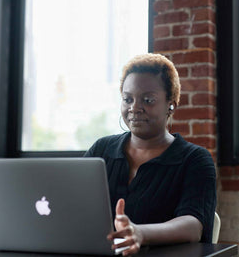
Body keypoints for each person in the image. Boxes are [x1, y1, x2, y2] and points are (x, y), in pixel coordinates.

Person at [84, 53, 216, 256]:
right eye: (127, 99)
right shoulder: (101, 150)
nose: (134, 108)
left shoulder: (195, 160)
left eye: (148, 100)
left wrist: (139, 233)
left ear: (170, 104)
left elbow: (193, 225)